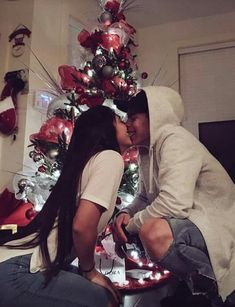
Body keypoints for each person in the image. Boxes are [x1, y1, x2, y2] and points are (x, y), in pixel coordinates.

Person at [113, 86, 235, 307]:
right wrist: (125, 213)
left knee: (153, 232)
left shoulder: (175, 139)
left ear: (156, 116)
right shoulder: (146, 150)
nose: (127, 123)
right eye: (125, 117)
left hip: (217, 222)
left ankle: (218, 295)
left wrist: (131, 226)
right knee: (150, 227)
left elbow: (174, 203)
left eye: (134, 117)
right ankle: (195, 290)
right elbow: (143, 196)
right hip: (194, 218)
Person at [0, 105, 132, 307]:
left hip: (16, 262)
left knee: (106, 291)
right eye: (120, 120)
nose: (127, 124)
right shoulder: (110, 158)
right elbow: (82, 226)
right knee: (103, 299)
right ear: (105, 127)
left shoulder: (86, 162)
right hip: (19, 271)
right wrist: (89, 271)